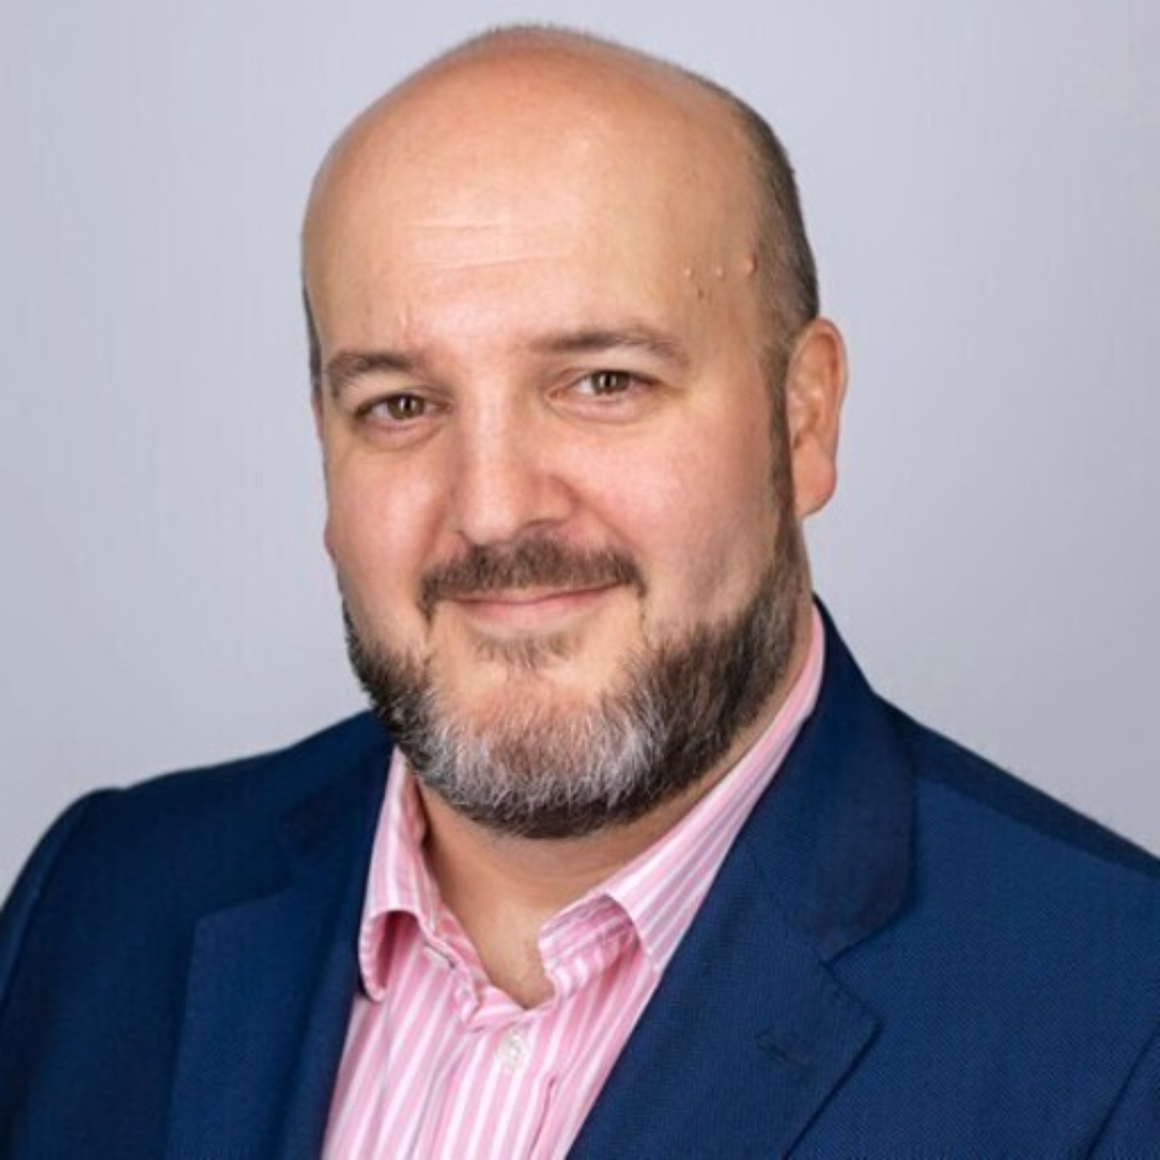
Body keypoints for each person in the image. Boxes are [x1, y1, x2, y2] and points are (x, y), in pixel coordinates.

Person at [1, 25, 1157, 1159]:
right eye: (399, 404)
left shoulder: (1113, 1016)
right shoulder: (99, 902)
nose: (494, 509)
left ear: (802, 418)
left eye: (603, 381)